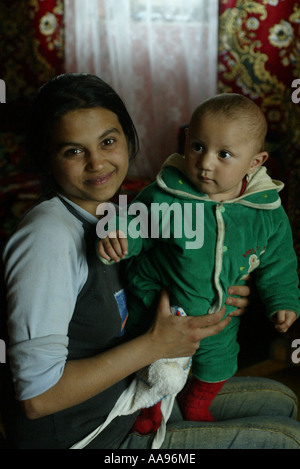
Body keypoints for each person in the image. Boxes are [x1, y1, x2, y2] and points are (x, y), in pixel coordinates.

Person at [1, 74, 300, 450]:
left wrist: (225, 286)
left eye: (108, 142)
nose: (97, 163)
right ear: (47, 158)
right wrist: (156, 344)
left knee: (283, 400)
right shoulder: (47, 238)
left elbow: (169, 268)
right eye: (73, 151)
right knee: (287, 439)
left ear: (128, 139)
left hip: (131, 393)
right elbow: (36, 398)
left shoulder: (119, 215)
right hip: (90, 436)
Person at [97, 93, 300, 431]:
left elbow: (279, 262)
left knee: (218, 365)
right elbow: (137, 223)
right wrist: (121, 237)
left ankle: (196, 402)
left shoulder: (265, 211)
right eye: (198, 147)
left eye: (224, 155)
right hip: (159, 313)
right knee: (153, 370)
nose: (206, 163)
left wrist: (284, 301)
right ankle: (148, 409)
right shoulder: (167, 194)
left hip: (217, 317)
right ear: (187, 141)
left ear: (255, 162)